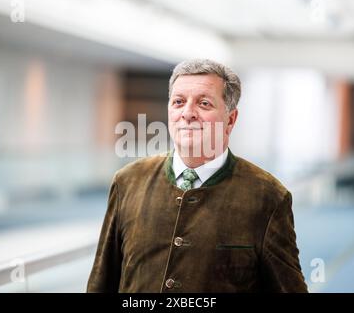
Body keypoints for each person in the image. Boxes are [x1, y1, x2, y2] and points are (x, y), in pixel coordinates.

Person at [87, 59, 308, 293]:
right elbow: (101, 283)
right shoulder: (129, 181)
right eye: (179, 102)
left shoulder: (268, 196)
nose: (188, 113)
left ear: (230, 120)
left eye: (204, 103)